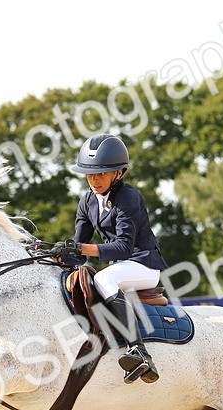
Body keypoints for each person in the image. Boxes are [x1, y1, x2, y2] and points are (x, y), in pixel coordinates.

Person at [52, 134, 169, 384]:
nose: (94, 180)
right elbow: (78, 253)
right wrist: (56, 255)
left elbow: (124, 248)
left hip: (143, 264)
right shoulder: (87, 201)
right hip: (120, 268)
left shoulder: (129, 197)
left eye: (101, 174)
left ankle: (139, 351)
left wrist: (79, 248)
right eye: (89, 174)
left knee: (104, 278)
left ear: (119, 173)